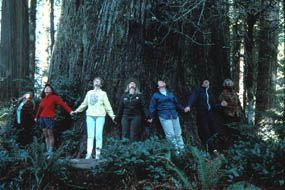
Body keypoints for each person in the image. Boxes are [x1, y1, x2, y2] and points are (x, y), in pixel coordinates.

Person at [70, 77, 115, 159]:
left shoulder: (103, 94)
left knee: (98, 135)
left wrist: (112, 115)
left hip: (100, 116)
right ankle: (89, 154)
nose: (96, 82)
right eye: (95, 81)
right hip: (90, 116)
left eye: (98, 81)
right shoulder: (89, 93)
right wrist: (76, 111)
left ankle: (98, 154)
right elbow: (84, 104)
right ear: (93, 83)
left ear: (101, 84)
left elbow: (107, 105)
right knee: (90, 136)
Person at [185, 79, 227, 154]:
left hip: (210, 114)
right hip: (202, 115)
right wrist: (189, 106)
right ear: (202, 83)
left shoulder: (209, 93)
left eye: (208, 81)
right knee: (206, 131)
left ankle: (218, 147)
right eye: (205, 81)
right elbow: (193, 98)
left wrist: (221, 105)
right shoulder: (198, 91)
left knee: (215, 130)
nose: (206, 82)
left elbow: (213, 105)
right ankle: (212, 149)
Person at [35, 84, 72, 156]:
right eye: (46, 88)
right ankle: (47, 150)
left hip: (49, 117)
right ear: (44, 90)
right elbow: (39, 109)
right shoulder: (43, 99)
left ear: (51, 90)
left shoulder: (54, 97)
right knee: (46, 135)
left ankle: (50, 152)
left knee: (50, 134)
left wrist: (70, 111)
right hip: (42, 118)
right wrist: (36, 117)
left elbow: (62, 104)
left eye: (49, 88)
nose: (47, 89)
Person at [149, 80, 185, 151]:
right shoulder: (155, 95)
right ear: (158, 86)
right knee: (170, 135)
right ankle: (175, 152)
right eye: (160, 82)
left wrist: (183, 109)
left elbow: (176, 103)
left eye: (163, 81)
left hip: (174, 115)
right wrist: (151, 117)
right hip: (164, 116)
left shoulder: (170, 93)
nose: (162, 82)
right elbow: (152, 107)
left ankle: (182, 150)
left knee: (178, 133)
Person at [114, 78, 149, 142]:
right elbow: (120, 108)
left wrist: (148, 116)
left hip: (136, 117)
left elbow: (144, 106)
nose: (132, 84)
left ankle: (133, 150)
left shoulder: (139, 96)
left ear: (136, 87)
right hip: (125, 117)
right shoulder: (124, 96)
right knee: (125, 133)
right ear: (128, 86)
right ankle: (125, 149)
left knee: (134, 134)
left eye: (134, 83)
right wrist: (116, 118)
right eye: (130, 83)